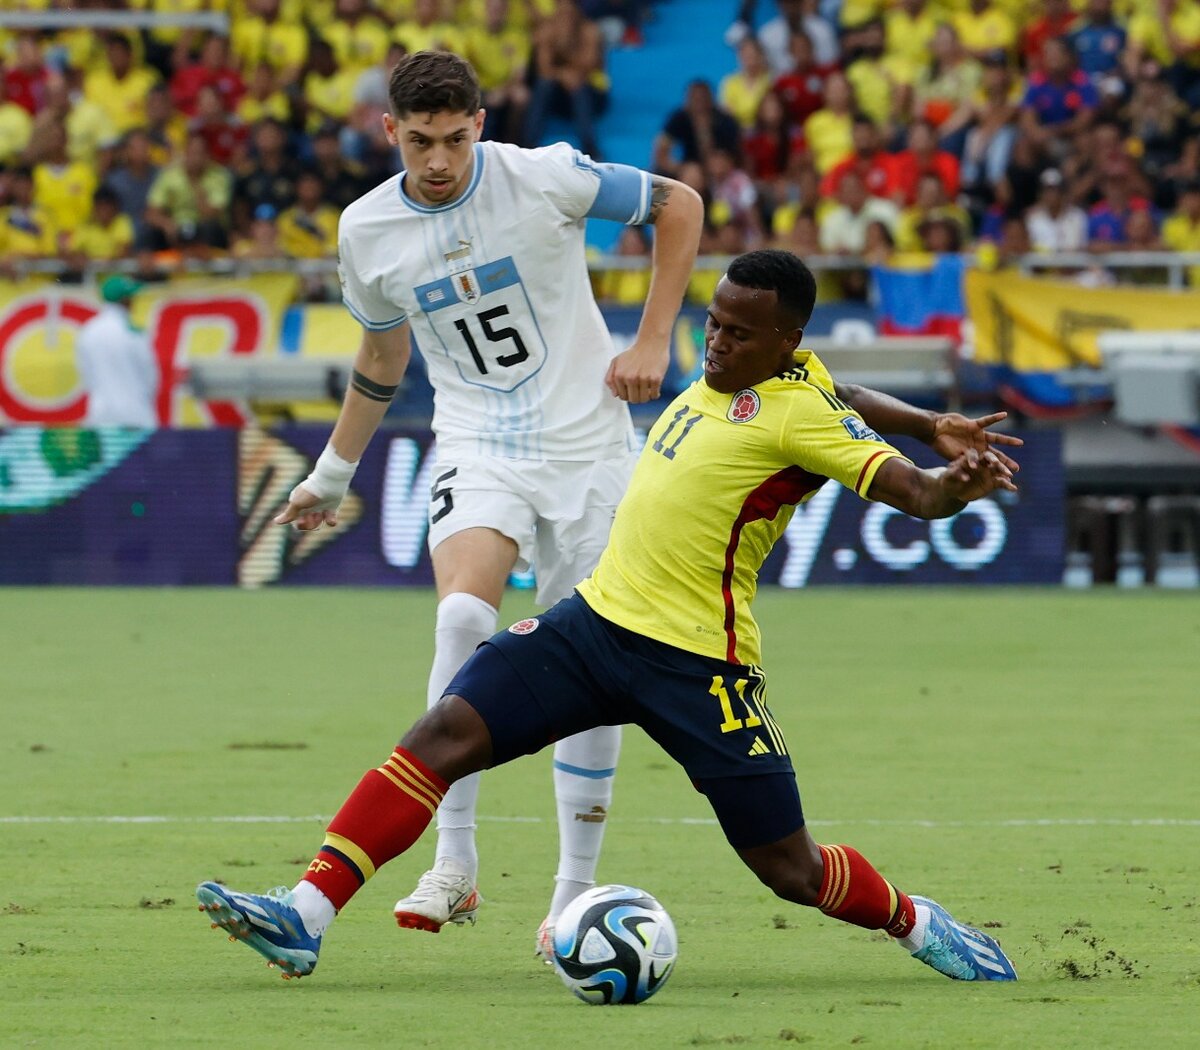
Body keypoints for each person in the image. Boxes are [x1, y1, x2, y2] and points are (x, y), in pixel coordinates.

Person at [197, 249, 1022, 985]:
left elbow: (912, 490)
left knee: (790, 869)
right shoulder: (778, 376)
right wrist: (924, 419)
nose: (716, 343)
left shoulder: (802, 417)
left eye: (739, 333)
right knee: (440, 734)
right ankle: (306, 915)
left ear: (785, 340)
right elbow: (843, 387)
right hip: (592, 626)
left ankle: (918, 925)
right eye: (714, 323)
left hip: (700, 667)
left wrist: (954, 482)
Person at [268, 48, 705, 954]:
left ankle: (569, 901)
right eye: (419, 140)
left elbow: (680, 205)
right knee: (463, 618)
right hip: (480, 442)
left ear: (480, 126)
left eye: (455, 139)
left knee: (587, 669)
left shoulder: (542, 177)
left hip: (590, 446)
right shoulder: (368, 230)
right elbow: (383, 360)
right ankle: (453, 862)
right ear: (390, 130)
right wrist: (333, 472)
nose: (437, 161)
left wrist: (654, 338)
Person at [74, 275, 157, 429]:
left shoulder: (88, 330)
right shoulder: (134, 333)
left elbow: (86, 375)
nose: (134, 301)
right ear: (125, 300)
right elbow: (150, 376)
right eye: (131, 297)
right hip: (135, 415)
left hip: (100, 414)